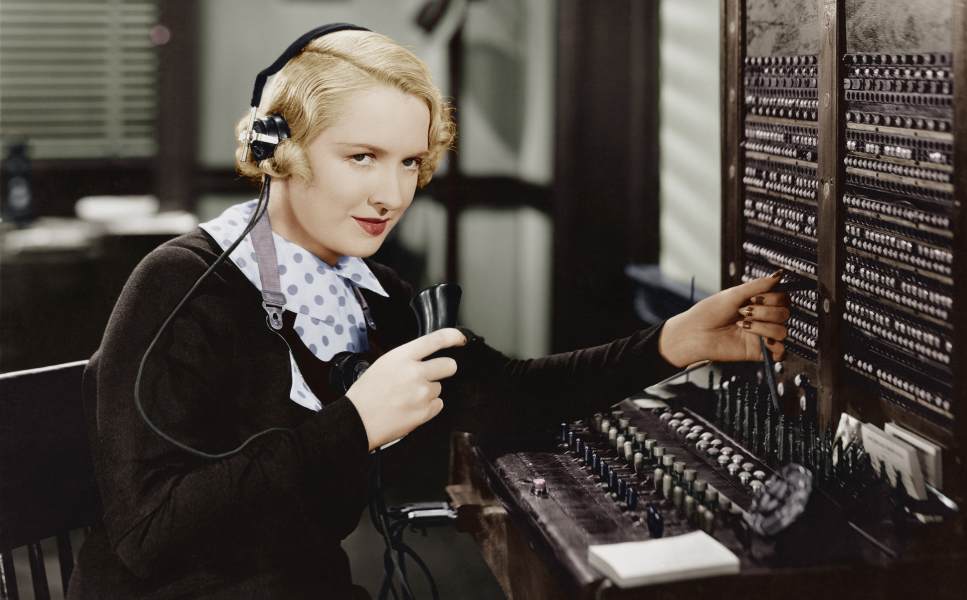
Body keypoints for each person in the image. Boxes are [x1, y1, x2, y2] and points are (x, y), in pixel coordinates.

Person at [69, 26, 790, 599]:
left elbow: (511, 391)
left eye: (410, 162)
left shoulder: (368, 292)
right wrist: (353, 425)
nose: (391, 192)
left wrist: (673, 342)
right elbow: (147, 533)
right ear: (278, 151)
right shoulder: (179, 286)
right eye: (362, 157)